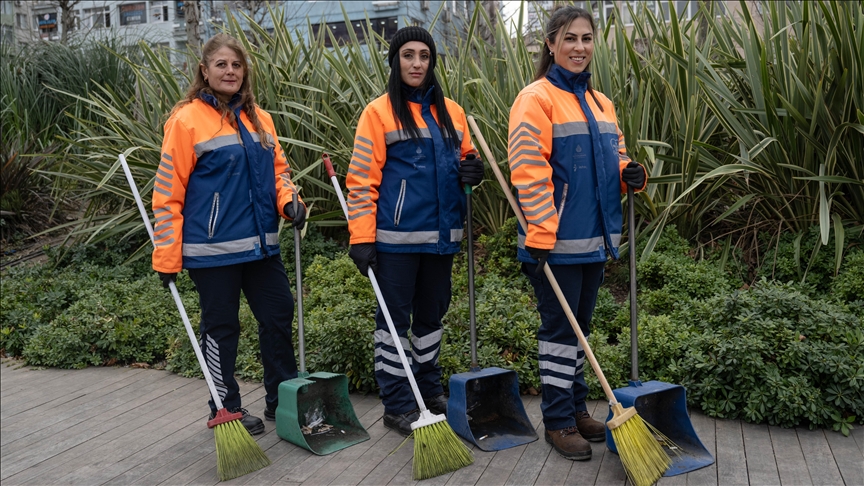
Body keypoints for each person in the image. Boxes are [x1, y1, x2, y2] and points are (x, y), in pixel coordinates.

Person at [507, 6, 647, 460]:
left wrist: (629, 171)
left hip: (595, 238)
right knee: (559, 333)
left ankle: (577, 407)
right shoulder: (536, 98)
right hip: (555, 243)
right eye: (570, 39)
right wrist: (542, 235)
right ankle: (558, 421)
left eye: (587, 39)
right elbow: (528, 171)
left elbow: (615, 153)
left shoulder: (601, 102)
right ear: (550, 44)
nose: (580, 48)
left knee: (579, 330)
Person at [151, 33, 306, 435]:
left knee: (278, 314)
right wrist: (167, 257)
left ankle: (281, 399)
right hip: (212, 250)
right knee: (222, 328)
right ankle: (225, 407)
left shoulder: (260, 119)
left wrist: (289, 200)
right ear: (204, 71)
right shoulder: (186, 121)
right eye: (221, 64)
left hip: (262, 247)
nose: (230, 71)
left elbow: (279, 173)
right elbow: (168, 193)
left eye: (236, 65)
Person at [345, 26, 484, 437]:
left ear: (432, 61)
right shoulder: (378, 113)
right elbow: (361, 181)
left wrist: (471, 172)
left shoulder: (453, 112)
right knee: (393, 323)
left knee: (431, 318)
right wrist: (362, 237)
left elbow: (465, 162)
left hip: (442, 239)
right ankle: (399, 402)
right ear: (395, 61)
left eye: (424, 55)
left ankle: (428, 388)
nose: (417, 63)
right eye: (408, 55)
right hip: (396, 241)